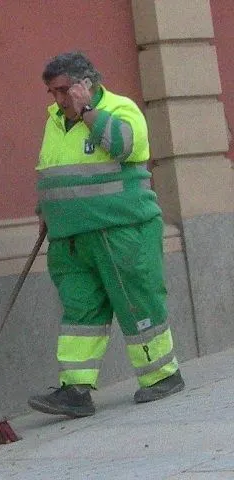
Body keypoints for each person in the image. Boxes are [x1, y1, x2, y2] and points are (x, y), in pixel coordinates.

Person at [28, 51, 185, 418]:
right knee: (80, 311)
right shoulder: (53, 121)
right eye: (52, 93)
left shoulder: (121, 109)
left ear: (87, 84)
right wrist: (46, 211)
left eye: (64, 90)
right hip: (70, 238)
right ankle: (75, 390)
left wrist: (87, 113)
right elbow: (51, 172)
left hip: (121, 230)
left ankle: (162, 375)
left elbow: (125, 146)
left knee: (136, 301)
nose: (59, 100)